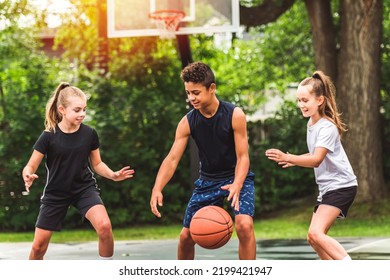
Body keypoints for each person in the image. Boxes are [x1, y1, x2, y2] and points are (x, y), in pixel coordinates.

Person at [150, 61, 256, 260]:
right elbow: (172, 159)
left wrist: (237, 184)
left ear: (212, 88)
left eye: (196, 93)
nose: (191, 98)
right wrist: (157, 188)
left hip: (237, 178)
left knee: (244, 225)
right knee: (186, 236)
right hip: (208, 181)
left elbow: (243, 157)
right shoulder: (188, 122)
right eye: (188, 93)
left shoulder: (234, 115)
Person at [22, 82, 135, 260]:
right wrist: (28, 175)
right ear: (62, 109)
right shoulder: (48, 136)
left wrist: (112, 175)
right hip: (56, 193)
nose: (82, 114)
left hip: (84, 189)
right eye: (77, 110)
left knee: (105, 227)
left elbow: (97, 164)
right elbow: (30, 166)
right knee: (38, 248)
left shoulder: (89, 134)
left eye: (84, 109)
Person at [265, 70, 358, 260]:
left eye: (305, 100)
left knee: (316, 234)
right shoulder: (311, 124)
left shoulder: (327, 127)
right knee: (312, 238)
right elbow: (316, 154)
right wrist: (292, 158)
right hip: (328, 188)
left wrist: (290, 158)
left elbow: (316, 159)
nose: (301, 105)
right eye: (299, 100)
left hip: (341, 186)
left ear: (320, 100)